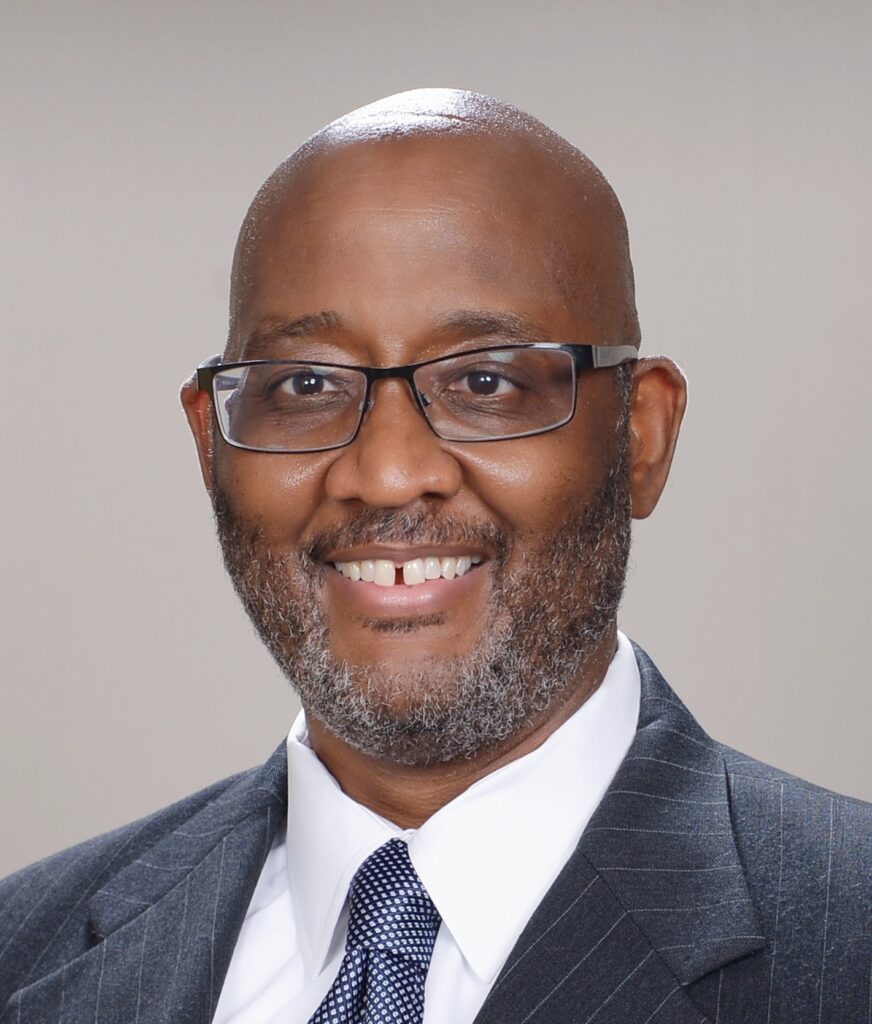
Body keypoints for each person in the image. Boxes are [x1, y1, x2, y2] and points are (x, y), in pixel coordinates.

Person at [0, 88, 869, 1024]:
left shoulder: (846, 942)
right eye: (307, 384)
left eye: (486, 381)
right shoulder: (23, 954)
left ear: (641, 437)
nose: (386, 473)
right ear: (211, 445)